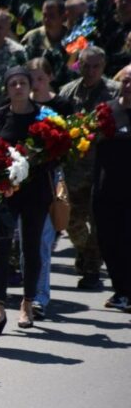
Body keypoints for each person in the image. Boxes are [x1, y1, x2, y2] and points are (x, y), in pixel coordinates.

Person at [0, 66, 53, 331]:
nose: (18, 88)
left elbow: (55, 153)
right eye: (12, 83)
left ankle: (27, 303)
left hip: (36, 191)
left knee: (31, 246)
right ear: (7, 88)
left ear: (30, 87)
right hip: (6, 191)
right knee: (0, 246)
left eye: (22, 83)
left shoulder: (44, 116)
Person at [60, 45, 120, 289]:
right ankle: (86, 252)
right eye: (86, 65)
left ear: (103, 67)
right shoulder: (68, 92)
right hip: (74, 169)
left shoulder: (115, 92)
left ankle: (92, 267)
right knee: (71, 221)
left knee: (98, 222)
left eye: (96, 66)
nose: (91, 70)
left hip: (103, 167)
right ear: (79, 66)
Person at [28, 57, 73, 320]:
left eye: (40, 78)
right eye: (30, 79)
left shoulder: (61, 106)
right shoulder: (21, 106)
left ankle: (39, 298)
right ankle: (27, 293)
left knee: (44, 241)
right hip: (23, 179)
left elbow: (70, 143)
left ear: (50, 77)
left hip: (50, 177)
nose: (35, 84)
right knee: (25, 244)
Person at [95, 67, 131, 312]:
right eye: (125, 81)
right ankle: (120, 290)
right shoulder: (106, 110)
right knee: (107, 240)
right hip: (105, 187)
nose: (128, 86)